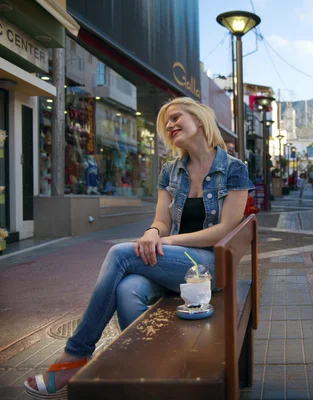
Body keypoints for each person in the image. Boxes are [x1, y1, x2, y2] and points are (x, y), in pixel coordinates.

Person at [24, 98, 254, 398]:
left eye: (175, 118)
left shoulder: (233, 169)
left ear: (198, 120)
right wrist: (151, 233)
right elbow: (160, 220)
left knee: (120, 253)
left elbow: (224, 230)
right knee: (127, 288)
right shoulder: (171, 171)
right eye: (165, 124)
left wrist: (166, 241)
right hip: (175, 265)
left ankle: (75, 356)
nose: (170, 126)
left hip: (210, 267)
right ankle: (157, 370)